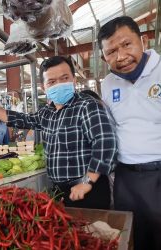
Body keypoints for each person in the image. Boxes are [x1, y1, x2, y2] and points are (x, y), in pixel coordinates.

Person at [0, 56, 118, 209]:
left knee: (93, 230)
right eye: (52, 82)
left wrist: (87, 182)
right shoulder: (47, 113)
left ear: (74, 80)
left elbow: (106, 144)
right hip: (61, 190)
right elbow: (22, 119)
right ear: (44, 87)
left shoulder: (88, 106)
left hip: (88, 188)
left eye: (64, 78)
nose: (59, 84)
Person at [98, 16, 161, 250]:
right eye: (111, 52)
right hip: (126, 178)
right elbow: (110, 128)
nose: (121, 57)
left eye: (127, 44)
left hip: (159, 173)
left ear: (143, 40)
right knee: (132, 236)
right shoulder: (108, 84)